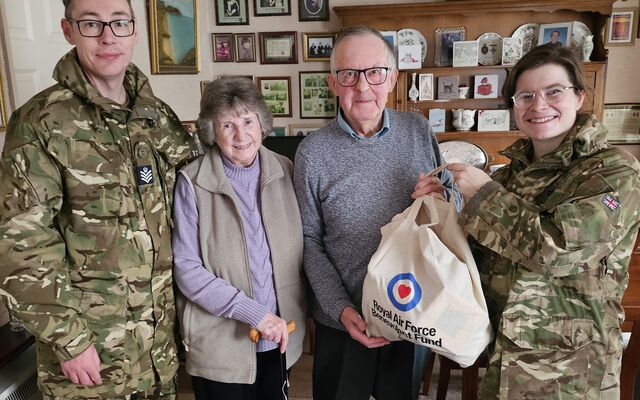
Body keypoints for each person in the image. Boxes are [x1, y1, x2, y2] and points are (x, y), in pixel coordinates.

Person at [415, 43, 640, 398]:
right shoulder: (510, 177)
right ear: (513, 107)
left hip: (571, 374)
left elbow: (558, 250)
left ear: (579, 96)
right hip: (504, 361)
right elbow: (478, 258)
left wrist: (485, 195)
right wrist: (441, 210)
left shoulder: (613, 170)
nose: (539, 105)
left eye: (554, 92)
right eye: (525, 95)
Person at [0, 0, 197, 399]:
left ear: (134, 30)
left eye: (118, 22)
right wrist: (69, 340)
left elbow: (195, 203)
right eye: (91, 24)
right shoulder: (40, 122)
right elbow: (22, 243)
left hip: (159, 348)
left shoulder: (156, 116)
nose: (108, 36)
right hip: (91, 355)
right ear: (68, 30)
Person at [293, 26, 460, 400]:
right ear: (333, 83)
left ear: (393, 78)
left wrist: (442, 196)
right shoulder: (312, 152)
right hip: (343, 319)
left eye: (374, 72)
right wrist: (340, 309)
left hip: (409, 310)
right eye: (349, 75)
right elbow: (307, 240)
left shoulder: (418, 130)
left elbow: (454, 208)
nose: (363, 87)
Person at [172, 76, 307, 400]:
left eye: (248, 120)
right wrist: (254, 313)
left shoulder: (286, 169)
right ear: (210, 131)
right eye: (227, 124)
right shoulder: (192, 182)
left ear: (262, 123)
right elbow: (187, 270)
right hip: (221, 347)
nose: (241, 134)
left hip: (280, 338)